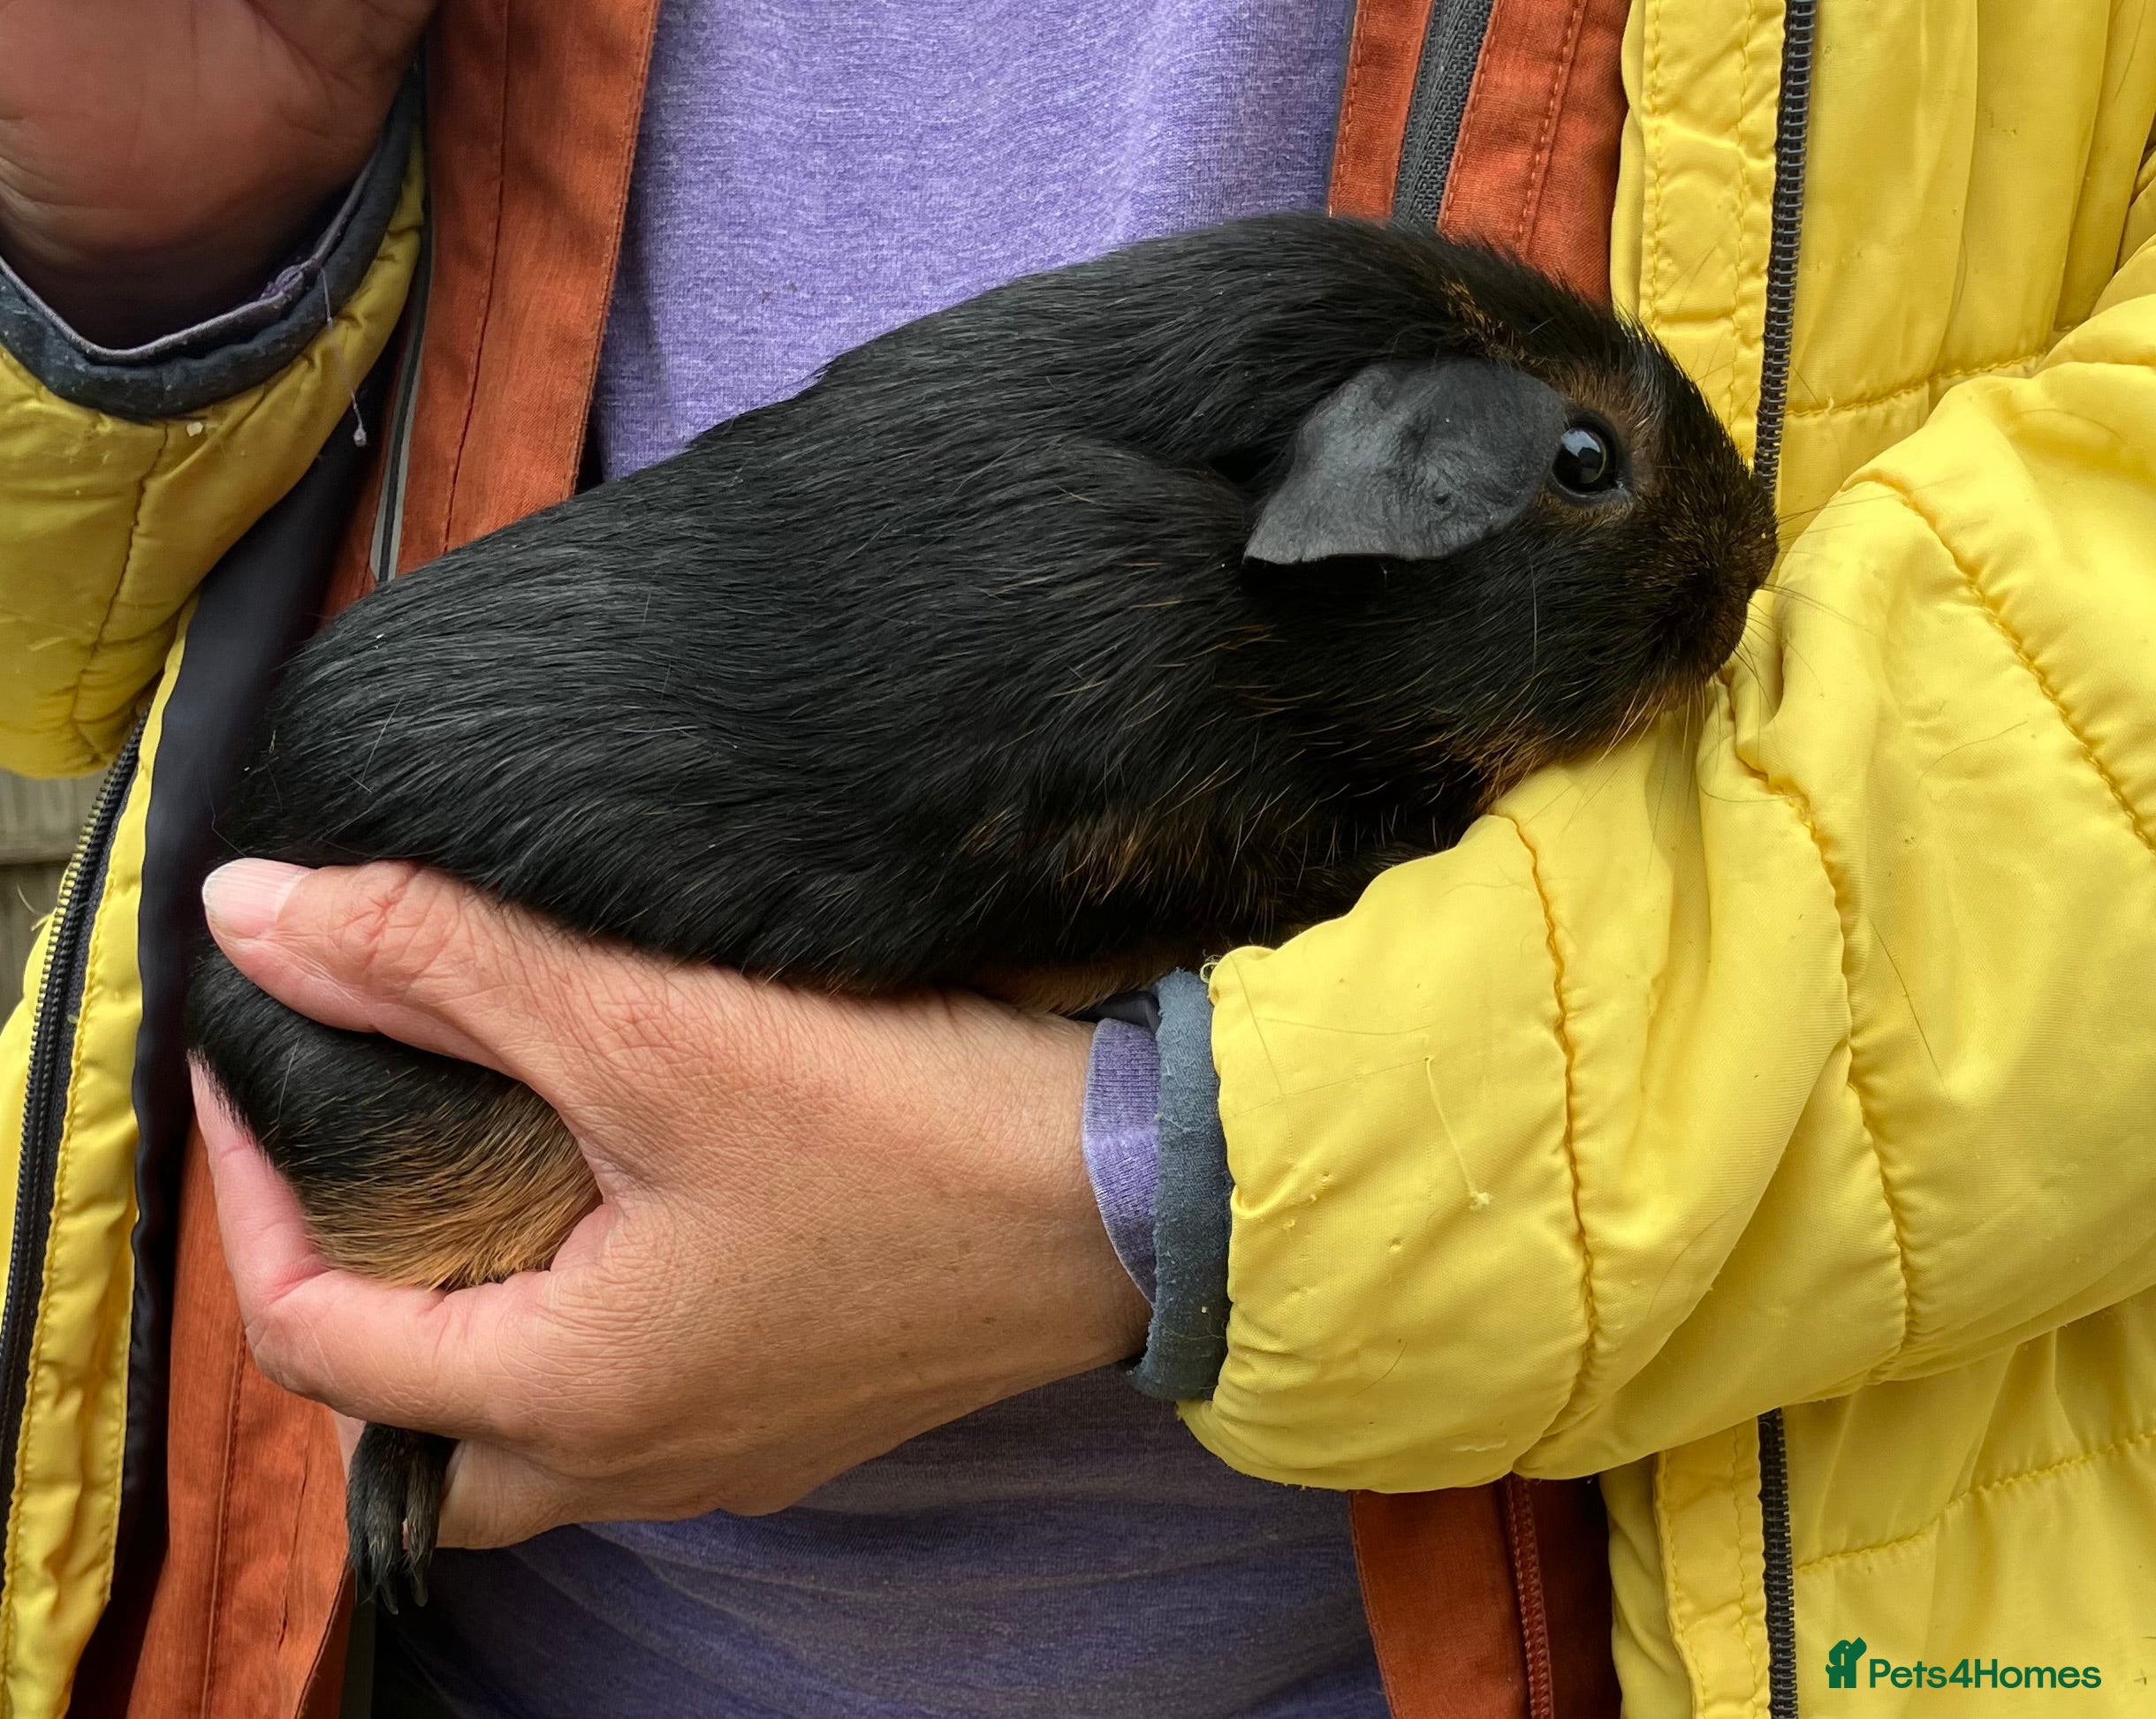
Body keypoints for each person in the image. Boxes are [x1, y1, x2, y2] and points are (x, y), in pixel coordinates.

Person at [4, 2, 2156, 1716]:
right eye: (1579, 475)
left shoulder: (1170, 688)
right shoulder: (1115, 661)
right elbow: (68, 658)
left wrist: (1153, 1174)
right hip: (397, 1600)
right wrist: (140, 270)